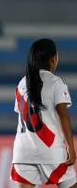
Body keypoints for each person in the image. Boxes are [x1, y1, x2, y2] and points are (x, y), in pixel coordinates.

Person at [11, 38, 77, 188]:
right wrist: (71, 147)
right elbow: (63, 115)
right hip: (51, 151)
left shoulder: (22, 83)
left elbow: (21, 114)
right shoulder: (56, 82)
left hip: (23, 152)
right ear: (53, 59)